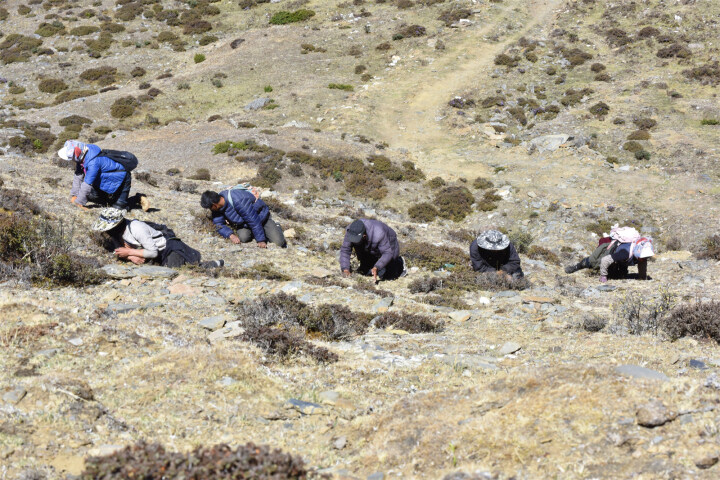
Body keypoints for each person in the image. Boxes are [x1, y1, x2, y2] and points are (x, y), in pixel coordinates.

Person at [91, 208, 223, 268]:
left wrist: (130, 252)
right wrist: (131, 257)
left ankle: (211, 265)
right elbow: (119, 250)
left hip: (169, 250)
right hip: (154, 254)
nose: (106, 231)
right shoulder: (116, 233)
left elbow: (153, 252)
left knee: (176, 272)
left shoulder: (137, 228)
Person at [58, 140, 144, 211]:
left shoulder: (93, 162)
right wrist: (74, 195)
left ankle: (138, 198)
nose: (71, 160)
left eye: (71, 157)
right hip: (105, 181)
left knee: (119, 209)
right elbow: (78, 176)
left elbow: (87, 183)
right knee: (91, 196)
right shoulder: (82, 156)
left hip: (122, 179)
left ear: (77, 154)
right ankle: (113, 200)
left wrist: (79, 203)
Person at [200, 187, 286, 248]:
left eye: (210, 207)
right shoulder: (217, 207)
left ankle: (276, 226)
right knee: (244, 238)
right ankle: (258, 232)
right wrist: (230, 235)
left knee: (278, 242)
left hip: (261, 218)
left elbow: (253, 220)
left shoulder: (238, 200)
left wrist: (260, 240)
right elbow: (218, 224)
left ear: (214, 205)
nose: (210, 210)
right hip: (245, 223)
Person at [565, 235, 654, 283]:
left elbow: (642, 264)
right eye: (643, 257)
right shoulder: (625, 253)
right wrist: (603, 276)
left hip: (620, 260)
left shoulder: (642, 256)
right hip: (610, 252)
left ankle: (617, 271)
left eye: (646, 257)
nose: (645, 258)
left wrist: (642, 277)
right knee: (591, 262)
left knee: (617, 276)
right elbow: (605, 260)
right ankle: (575, 267)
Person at [340, 219, 405, 282]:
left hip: (389, 239)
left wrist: (377, 267)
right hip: (368, 245)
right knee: (365, 272)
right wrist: (345, 269)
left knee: (389, 276)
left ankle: (399, 263)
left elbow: (387, 253)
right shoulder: (351, 230)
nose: (354, 242)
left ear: (364, 236)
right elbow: (345, 250)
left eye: (357, 239)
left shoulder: (379, 234)